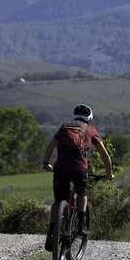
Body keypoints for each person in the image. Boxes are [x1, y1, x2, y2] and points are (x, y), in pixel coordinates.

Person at [42, 103, 113, 251]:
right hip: (79, 169)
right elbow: (105, 155)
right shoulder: (90, 129)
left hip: (60, 168)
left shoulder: (64, 127)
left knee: (58, 202)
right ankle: (81, 224)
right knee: (82, 194)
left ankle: (51, 234)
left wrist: (46, 163)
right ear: (89, 118)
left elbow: (50, 146)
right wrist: (108, 173)